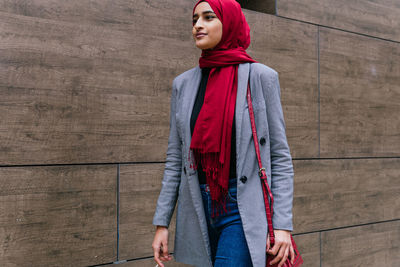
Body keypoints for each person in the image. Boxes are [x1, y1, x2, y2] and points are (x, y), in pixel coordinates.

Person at [152, 0, 295, 266]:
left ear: (228, 23)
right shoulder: (183, 84)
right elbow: (175, 159)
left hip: (241, 208)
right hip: (198, 206)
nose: (198, 26)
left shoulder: (261, 77)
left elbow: (280, 157)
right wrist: (162, 223)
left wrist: (283, 225)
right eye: (195, 19)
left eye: (208, 18)